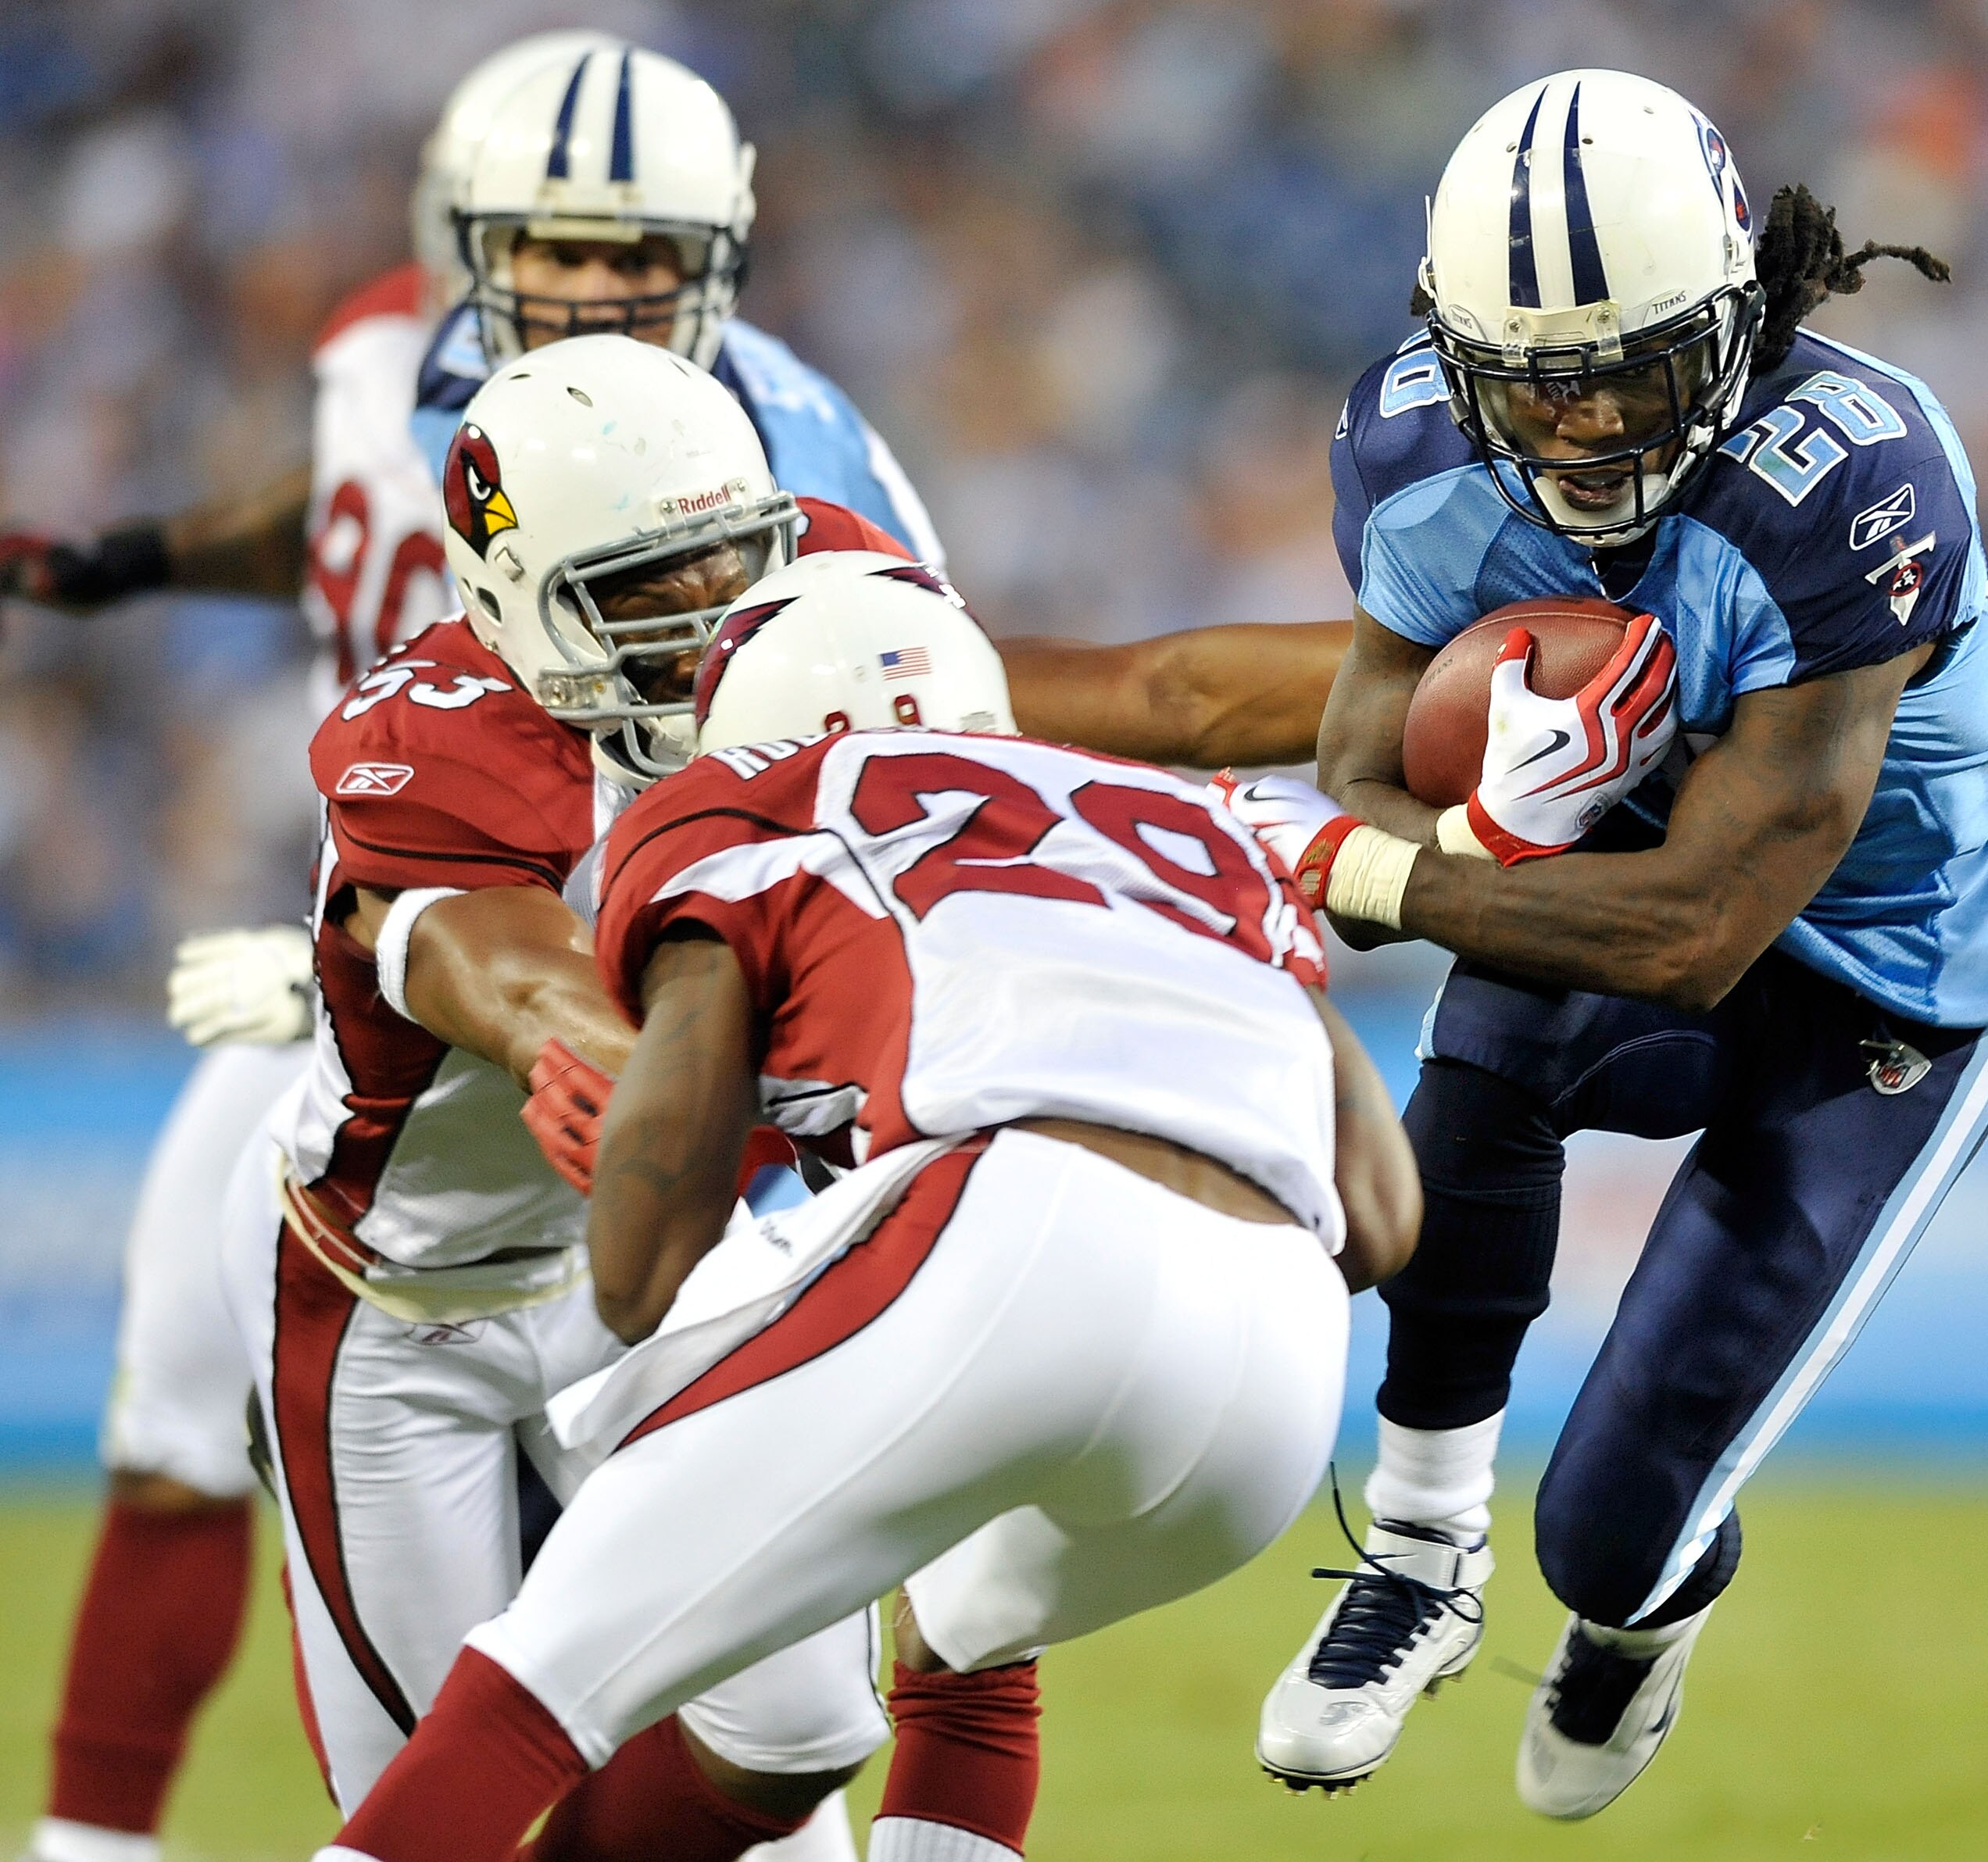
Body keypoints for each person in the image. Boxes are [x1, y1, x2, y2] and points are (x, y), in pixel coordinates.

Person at [306, 540, 1419, 1862]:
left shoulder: (750, 796)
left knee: (543, 1678)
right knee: (963, 1634)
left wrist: (650, 1146)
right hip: (1277, 1376)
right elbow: (1385, 1215)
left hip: (1027, 1229)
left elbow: (640, 1262)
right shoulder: (1184, 822)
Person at [1236, 68, 1988, 1818]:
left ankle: (1636, 1614)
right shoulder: (1407, 442)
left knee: (1610, 1537)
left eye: (1632, 366)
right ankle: (1415, 1549)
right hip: (1657, 881)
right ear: (1456, 356)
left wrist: (1401, 867)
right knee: (1498, 1021)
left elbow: (1700, 927)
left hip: (1900, 972)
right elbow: (1357, 764)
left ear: (1740, 322)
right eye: (1538, 384)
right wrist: (1464, 826)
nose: (1591, 424)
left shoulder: (1854, 479)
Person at [4, 36, 619, 1862]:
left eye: (611, 251)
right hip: (366, 950)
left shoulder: (682, 441)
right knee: (179, 1419)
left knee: (631, 1508)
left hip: (520, 989)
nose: (577, 285)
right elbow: (333, 510)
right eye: (538, 242)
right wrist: (134, 561)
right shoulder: (387, 349)